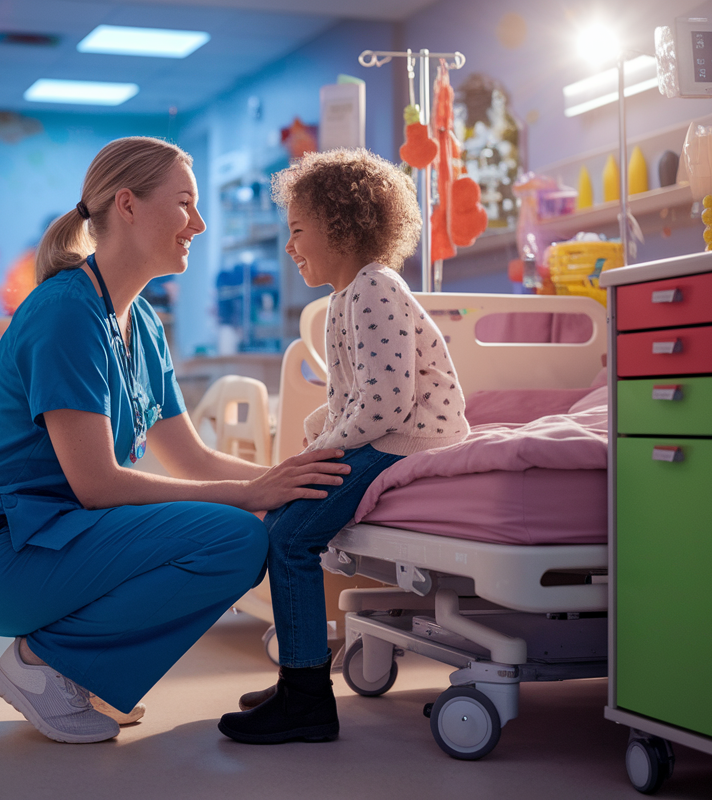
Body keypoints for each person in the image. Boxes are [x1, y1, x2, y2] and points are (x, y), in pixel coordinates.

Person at [0, 136, 351, 744]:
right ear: (127, 205)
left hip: (62, 537)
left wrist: (283, 481)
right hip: (3, 554)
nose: (200, 223)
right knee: (235, 535)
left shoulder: (144, 322)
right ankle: (44, 668)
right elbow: (99, 483)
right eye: (185, 202)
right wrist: (248, 496)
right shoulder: (66, 313)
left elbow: (190, 459)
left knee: (245, 530)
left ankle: (70, 672)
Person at [218, 149, 470, 744]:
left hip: (410, 441)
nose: (290, 247)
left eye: (298, 231)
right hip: (390, 433)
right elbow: (357, 393)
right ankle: (297, 677)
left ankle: (306, 699)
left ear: (342, 226)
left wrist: (322, 448)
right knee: (282, 519)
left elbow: (386, 405)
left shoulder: (374, 288)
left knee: (290, 535)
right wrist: (319, 432)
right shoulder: (349, 294)